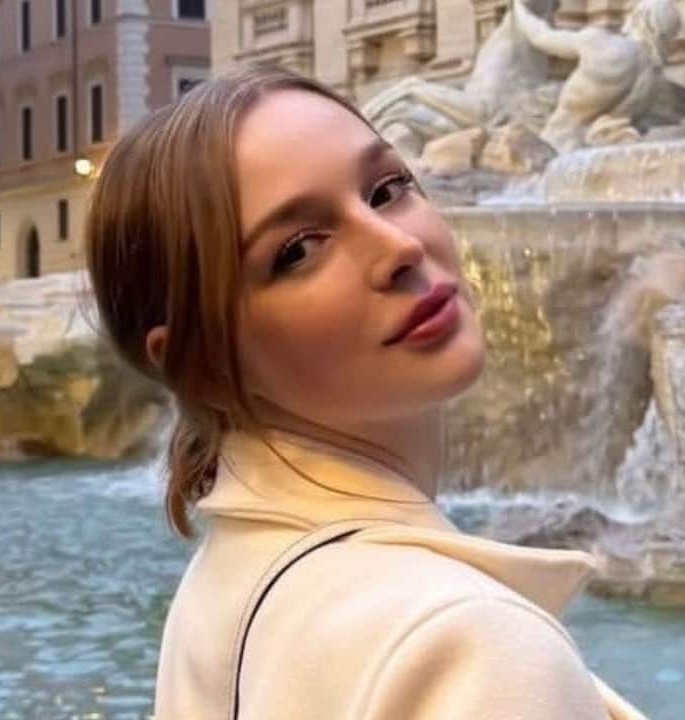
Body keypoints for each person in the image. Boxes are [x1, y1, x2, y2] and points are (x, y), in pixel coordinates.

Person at [84, 66, 645, 719]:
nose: (399, 245)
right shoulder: (471, 648)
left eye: (387, 189)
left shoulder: (222, 586)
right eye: (297, 249)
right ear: (200, 359)